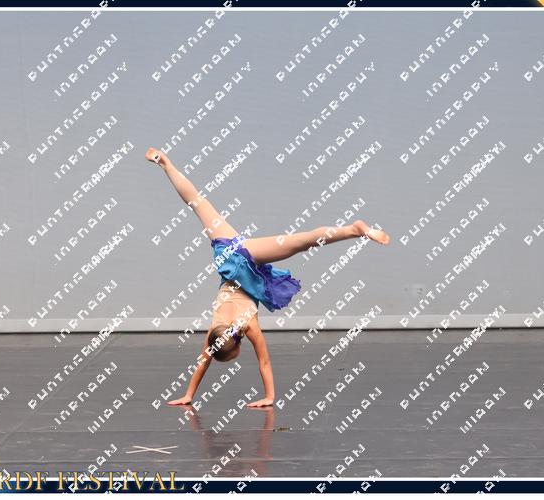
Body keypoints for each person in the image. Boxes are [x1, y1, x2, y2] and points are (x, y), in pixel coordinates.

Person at [144, 147, 390, 408]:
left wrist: (270, 397)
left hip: (244, 260)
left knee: (301, 242)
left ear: (237, 347)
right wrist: (189, 394)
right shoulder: (216, 332)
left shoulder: (247, 325)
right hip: (228, 253)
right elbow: (203, 361)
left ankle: (353, 230)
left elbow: (264, 361)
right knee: (198, 203)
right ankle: (165, 162)